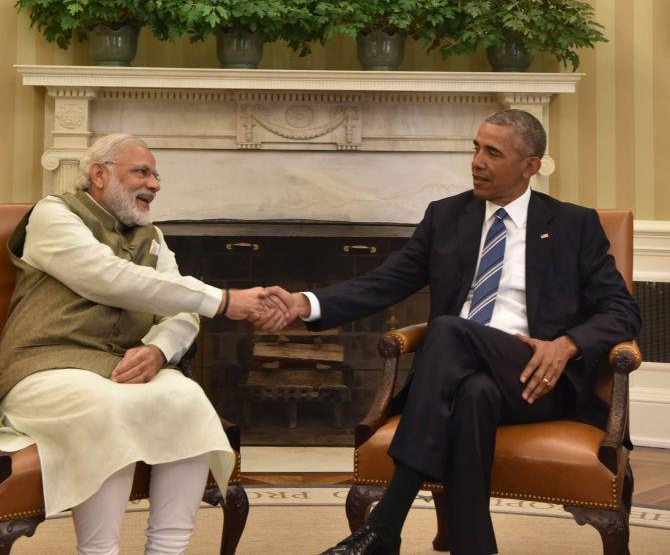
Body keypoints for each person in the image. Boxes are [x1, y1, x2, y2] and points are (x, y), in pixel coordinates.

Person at [278, 110, 642, 555]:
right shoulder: (446, 216)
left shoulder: (573, 225)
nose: (477, 161)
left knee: (449, 330)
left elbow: (622, 310)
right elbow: (385, 282)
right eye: (475, 147)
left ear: (530, 165)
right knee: (473, 393)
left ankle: (386, 524)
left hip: (538, 380)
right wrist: (305, 304)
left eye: (493, 152)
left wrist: (567, 346)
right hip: (459, 377)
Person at [0, 133, 289, 555]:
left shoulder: (152, 235)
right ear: (98, 173)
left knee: (187, 399)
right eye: (142, 171)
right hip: (46, 367)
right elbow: (106, 276)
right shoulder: (54, 214)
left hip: (124, 368)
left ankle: (167, 551)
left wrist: (158, 349)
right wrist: (225, 302)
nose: (155, 184)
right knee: (112, 408)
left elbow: (181, 310)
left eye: (156, 175)